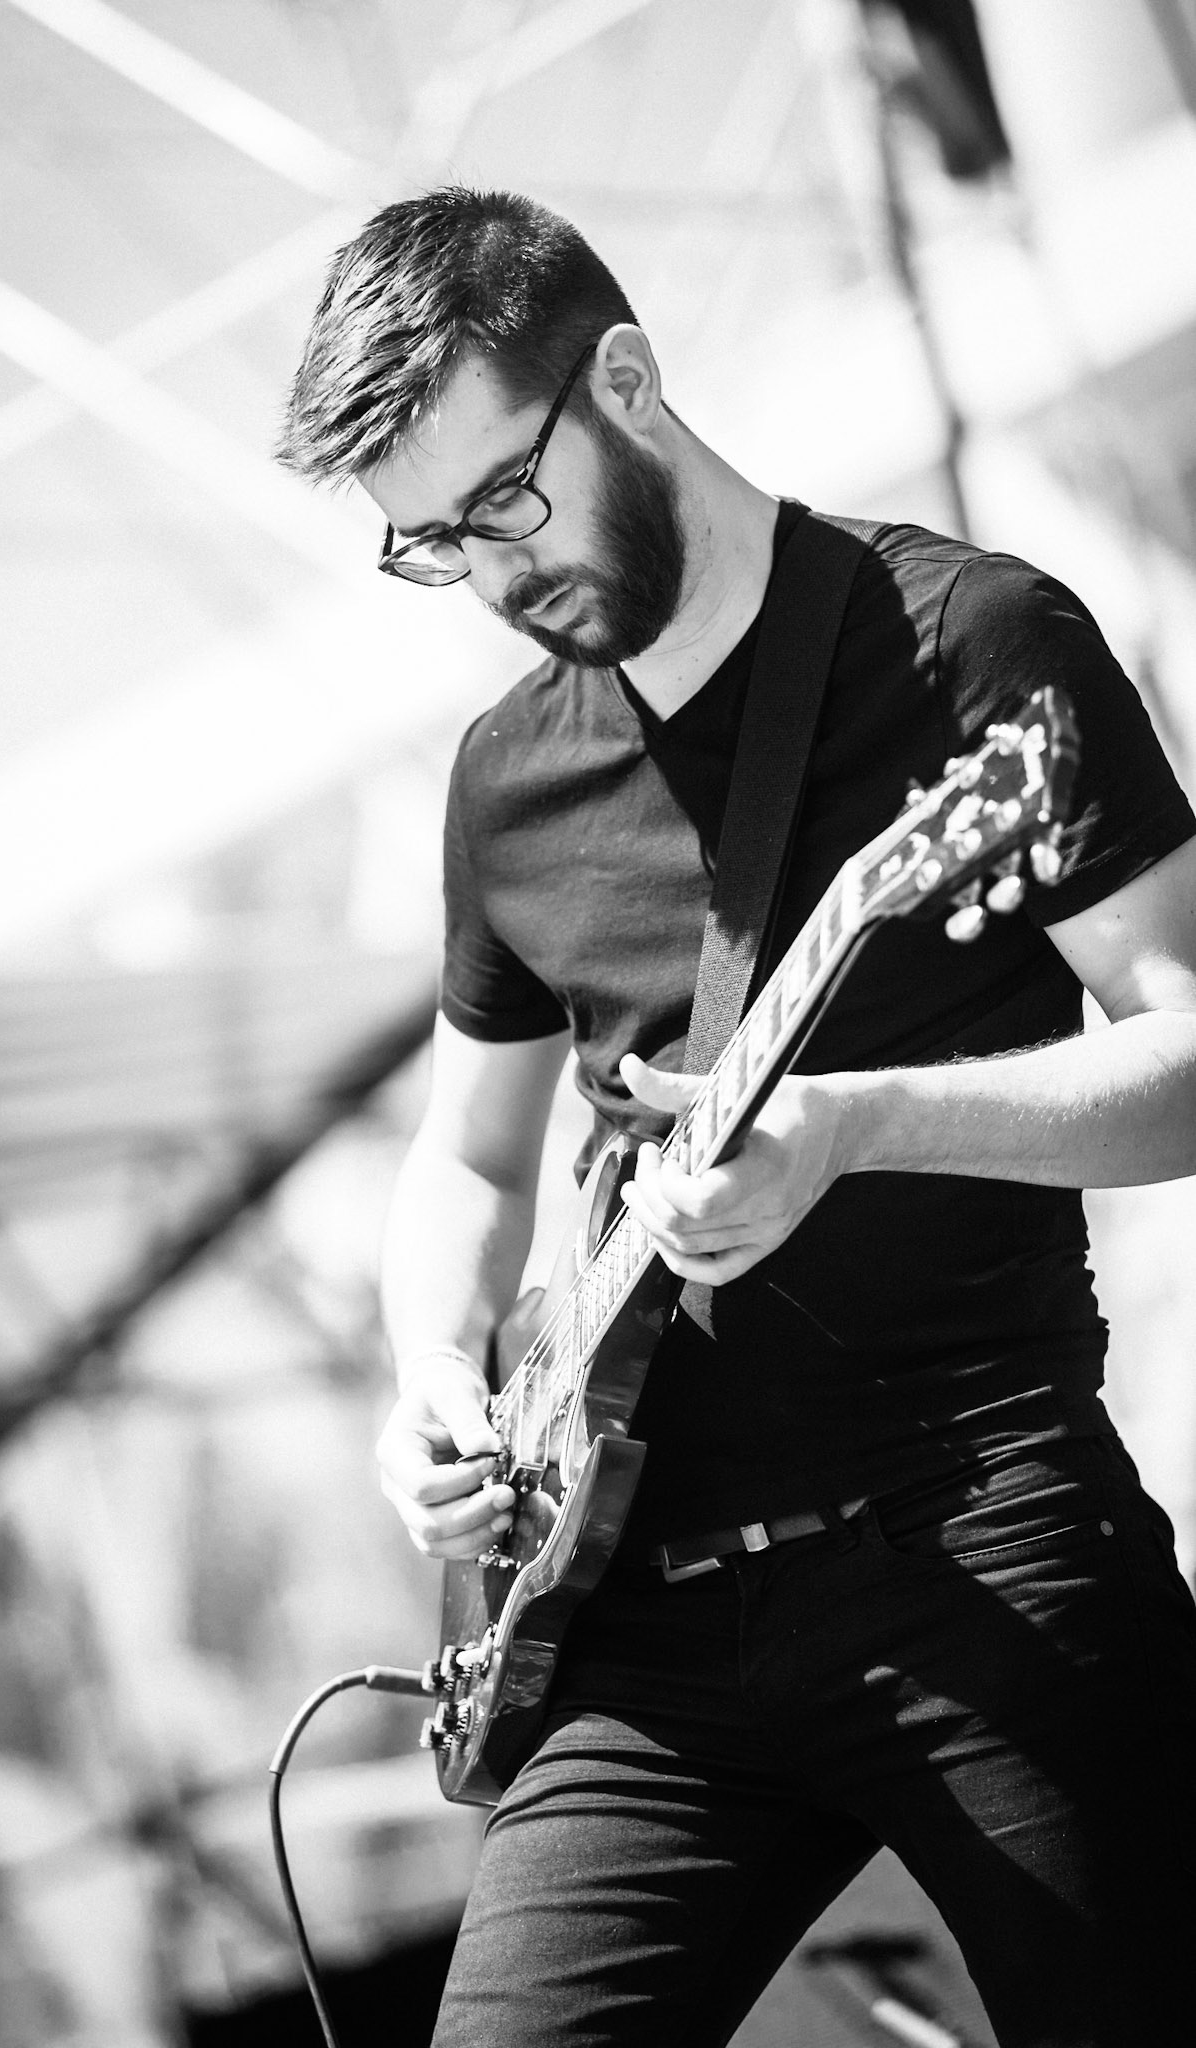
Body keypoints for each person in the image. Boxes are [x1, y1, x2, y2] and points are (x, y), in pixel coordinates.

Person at [278, 187, 1196, 2047]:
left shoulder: (968, 643)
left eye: (502, 502)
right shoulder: (507, 782)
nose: (490, 579)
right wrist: (432, 1367)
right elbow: (464, 1160)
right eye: (428, 545)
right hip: (631, 1630)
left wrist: (857, 1123)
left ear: (624, 379)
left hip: (982, 1530)